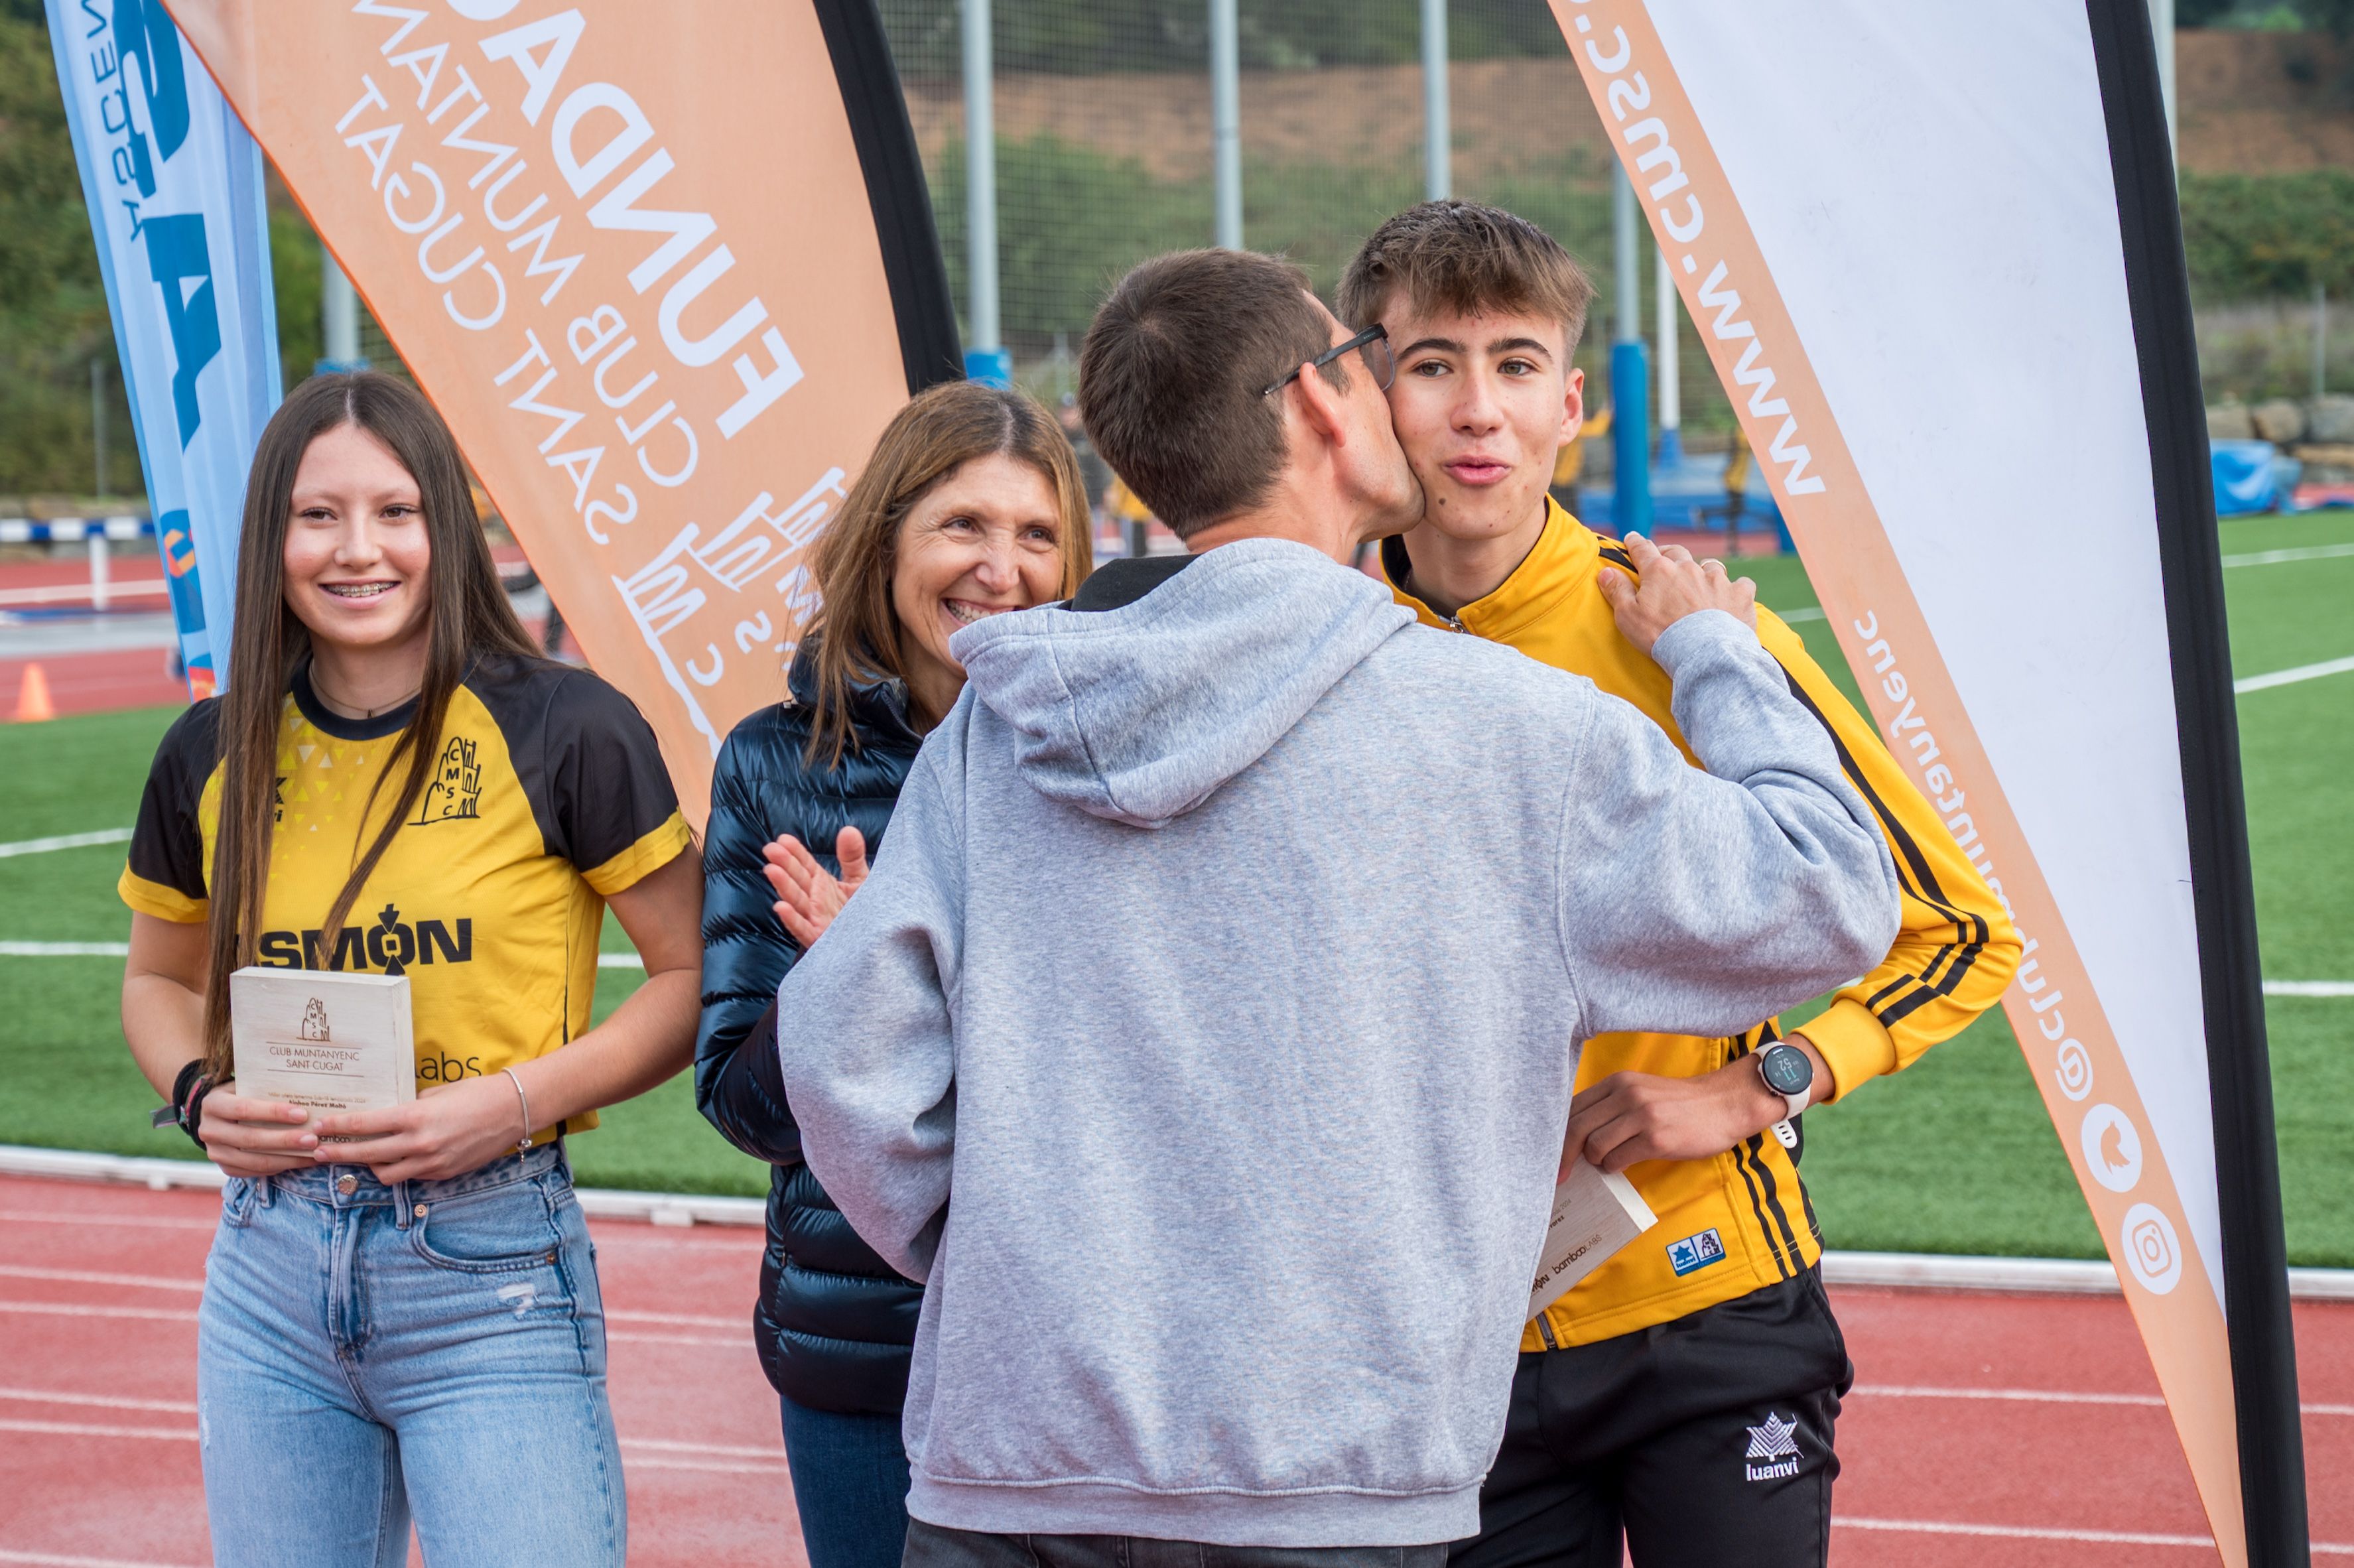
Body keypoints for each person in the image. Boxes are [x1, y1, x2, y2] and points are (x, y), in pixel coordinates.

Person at [766, 247, 1903, 1563]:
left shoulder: (1003, 725)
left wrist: (1028, 1269)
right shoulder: (1515, 732)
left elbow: (846, 1056)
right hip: (1328, 1483)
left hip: (1010, 1473)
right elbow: (1826, 891)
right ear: (1316, 404)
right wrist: (1717, 651)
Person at [1336, 200, 2021, 1568]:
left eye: (1514, 365)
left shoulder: (1672, 624)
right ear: (1366, 395)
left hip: (1709, 1308)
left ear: (1569, 405)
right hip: (1453, 1345)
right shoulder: (1329, 645)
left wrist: (1754, 1083)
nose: (1476, 409)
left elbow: (1958, 929)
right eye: (1431, 364)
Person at [117, 371, 702, 1567]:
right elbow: (159, 983)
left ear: (447, 525)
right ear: (270, 537)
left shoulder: (567, 728)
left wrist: (512, 1104)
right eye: (315, 515)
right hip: (269, 1266)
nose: (356, 550)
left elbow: (691, 976)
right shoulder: (207, 753)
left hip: (488, 1264)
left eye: (395, 512)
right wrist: (197, 1098)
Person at [694, 379, 1092, 1568]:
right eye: (961, 527)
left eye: (1035, 535)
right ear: (886, 542)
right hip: (864, 1350)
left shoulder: (1104, 752)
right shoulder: (775, 763)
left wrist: (925, 964)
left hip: (1079, 1342)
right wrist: (848, 977)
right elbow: (745, 1108)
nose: (999, 568)